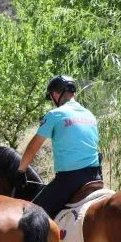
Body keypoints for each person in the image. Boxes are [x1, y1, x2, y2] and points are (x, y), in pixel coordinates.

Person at [16, 75, 102, 218]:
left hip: (70, 180)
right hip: (96, 176)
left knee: (31, 217)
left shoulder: (55, 114)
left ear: (55, 94)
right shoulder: (90, 115)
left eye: (51, 97)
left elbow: (33, 147)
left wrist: (21, 171)